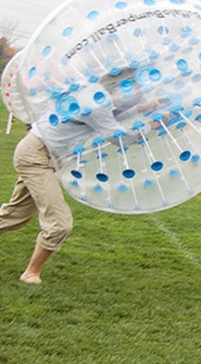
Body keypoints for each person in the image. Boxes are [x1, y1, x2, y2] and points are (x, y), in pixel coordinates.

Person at [0, 71, 140, 283]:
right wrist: (149, 126)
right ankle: (31, 273)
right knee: (60, 223)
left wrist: (141, 109)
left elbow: (109, 115)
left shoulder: (90, 91)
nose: (135, 93)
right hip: (36, 155)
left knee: (16, 214)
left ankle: (32, 271)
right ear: (121, 85)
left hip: (38, 151)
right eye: (133, 87)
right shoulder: (97, 103)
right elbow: (118, 136)